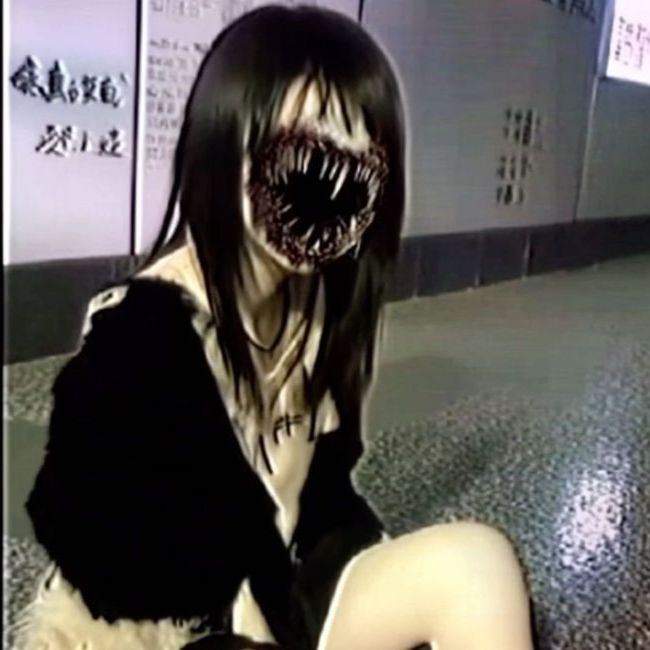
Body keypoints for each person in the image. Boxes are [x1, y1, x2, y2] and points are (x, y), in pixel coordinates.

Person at [21, 5, 536, 650]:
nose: (331, 195)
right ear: (225, 143)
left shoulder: (313, 305)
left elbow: (321, 504)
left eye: (360, 174)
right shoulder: (140, 342)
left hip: (281, 599)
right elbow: (135, 587)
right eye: (306, 160)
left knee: (475, 567)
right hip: (170, 632)